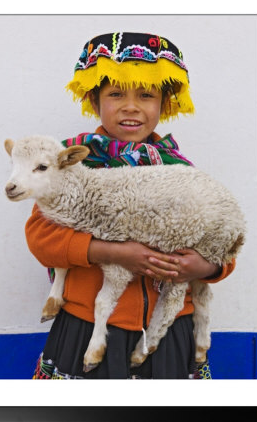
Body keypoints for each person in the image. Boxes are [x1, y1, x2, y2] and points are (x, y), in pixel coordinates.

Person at [27, 32, 236, 380]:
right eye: (115, 94)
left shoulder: (180, 172)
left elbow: (224, 243)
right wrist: (113, 252)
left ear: (164, 103)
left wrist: (206, 267)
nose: (131, 106)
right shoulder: (69, 166)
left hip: (171, 331)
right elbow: (41, 238)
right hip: (87, 326)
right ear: (95, 101)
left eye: (146, 95)